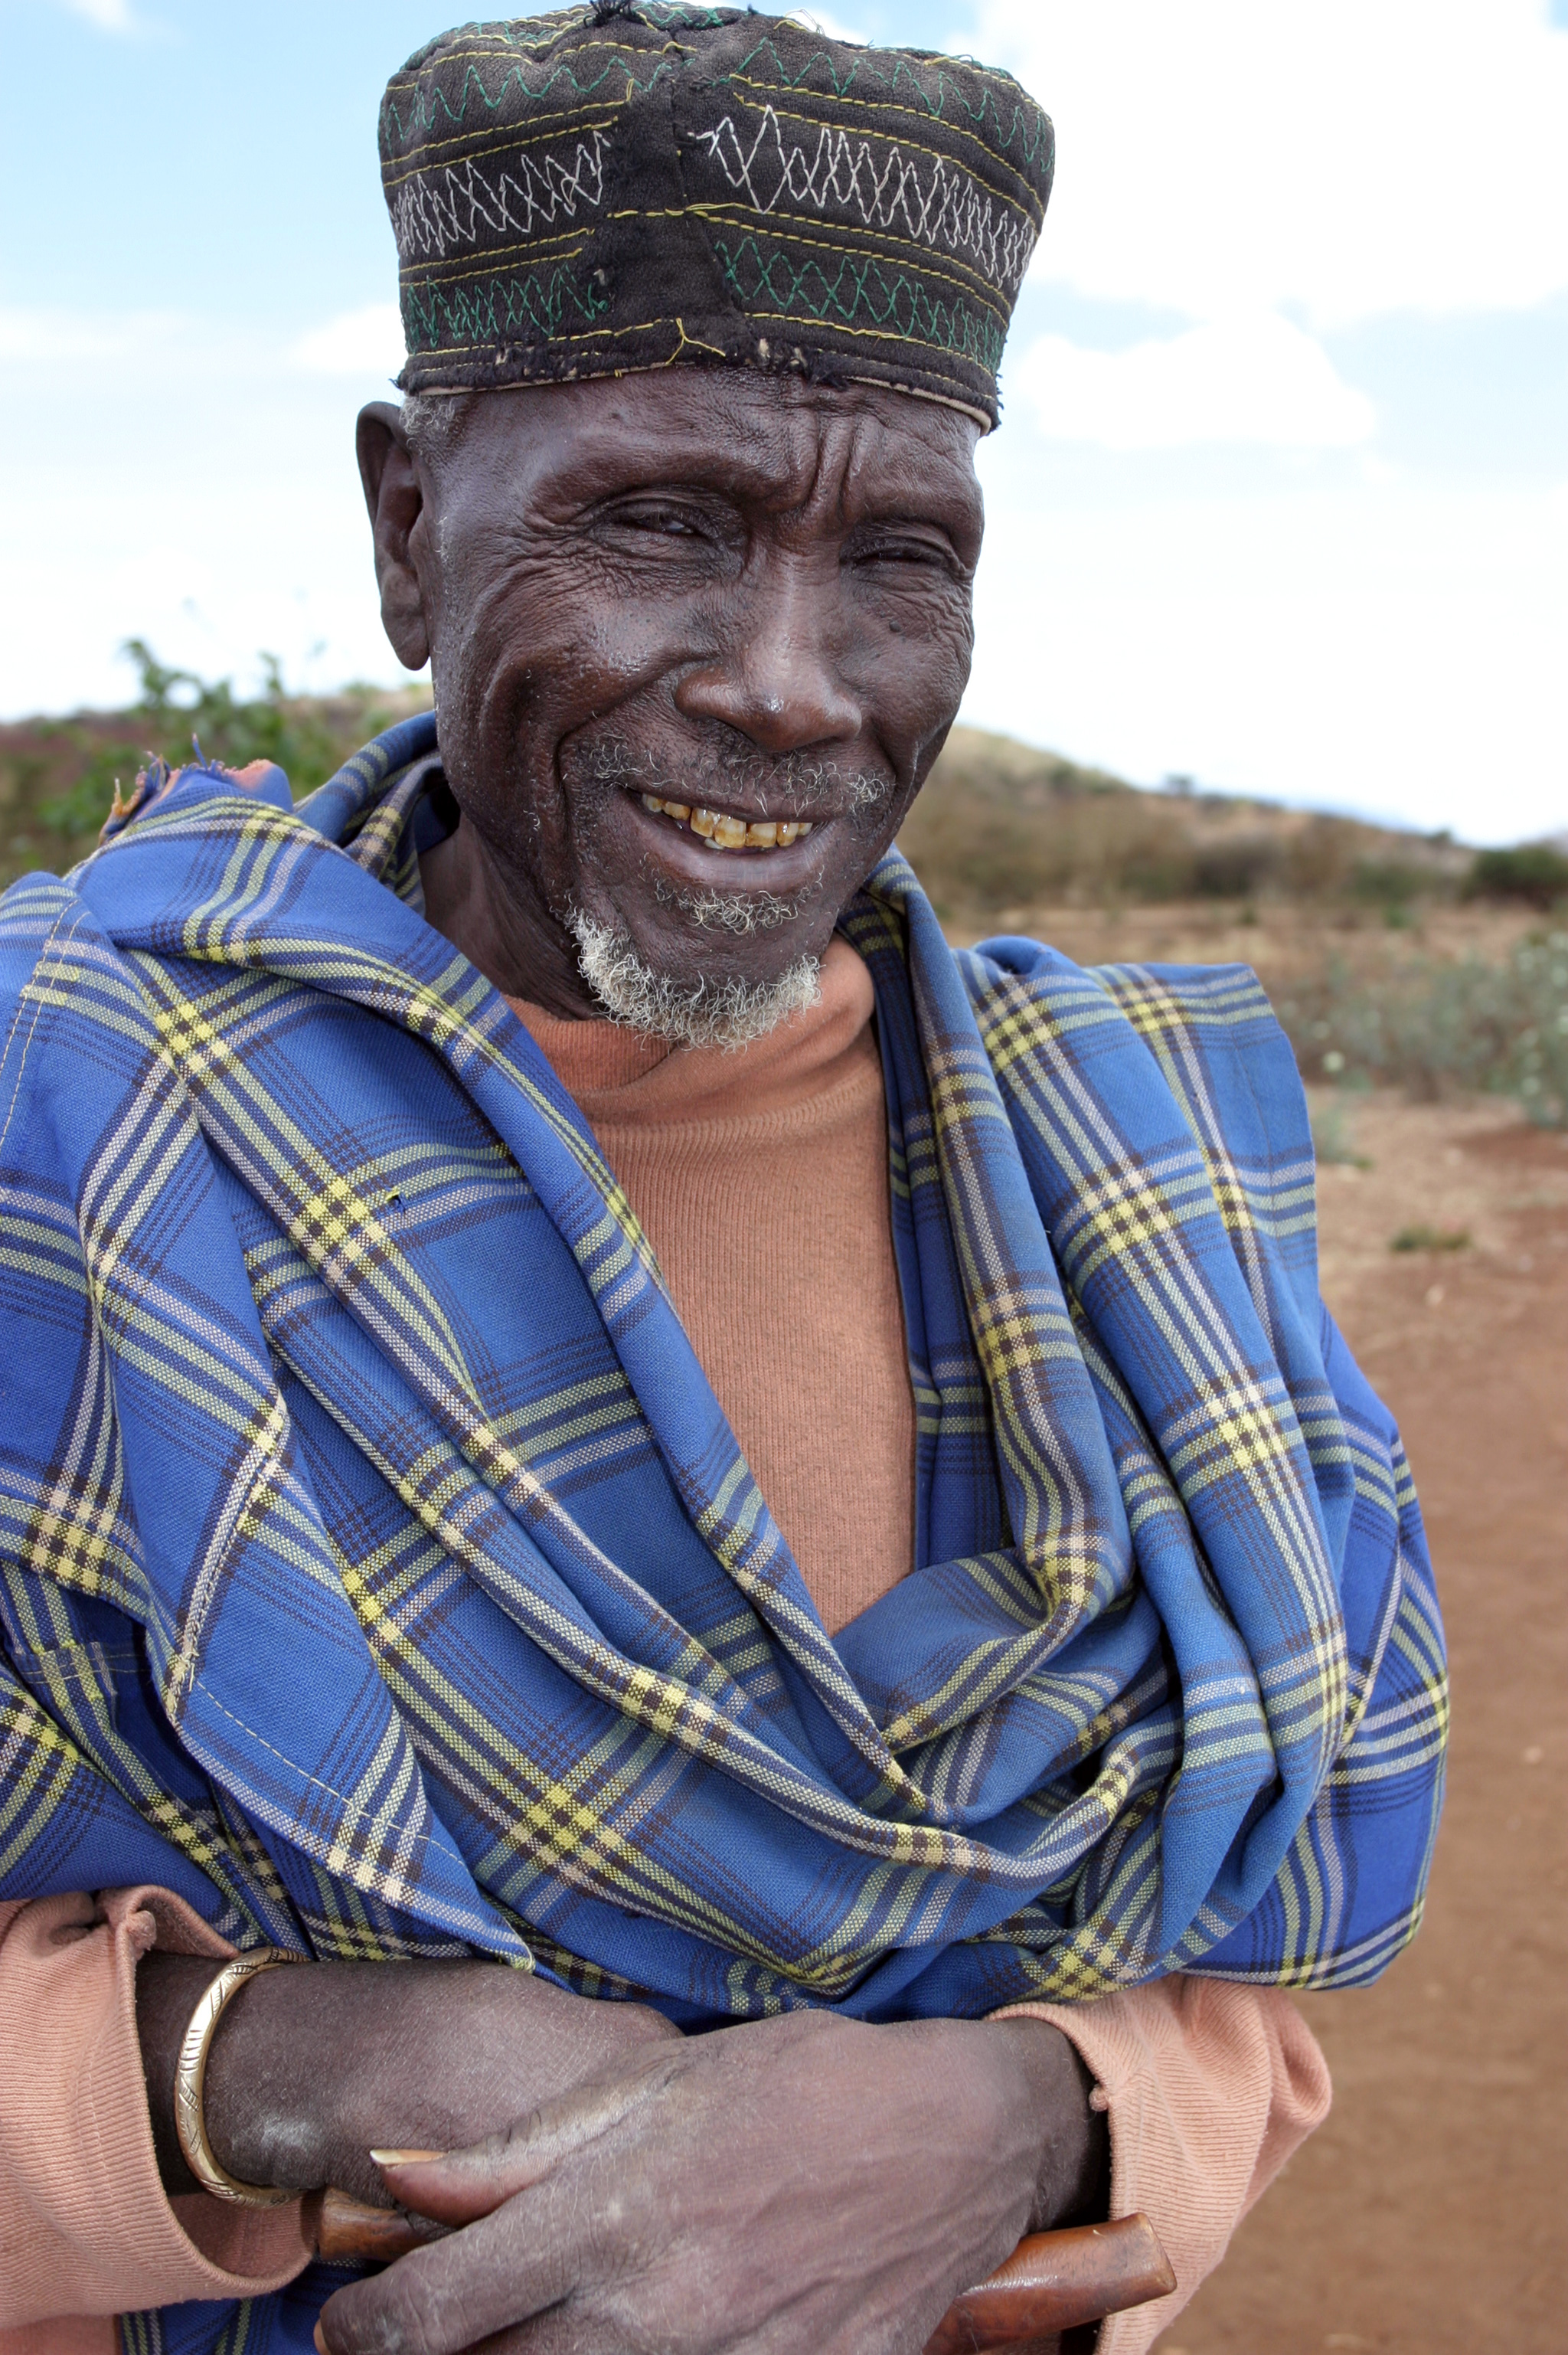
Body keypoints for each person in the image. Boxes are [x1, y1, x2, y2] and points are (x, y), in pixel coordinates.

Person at [0, 8, 1447, 2353]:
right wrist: (263, 2069)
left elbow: (1235, 1998)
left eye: (899, 556)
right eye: (663, 519)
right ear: (404, 528)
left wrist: (1031, 2114)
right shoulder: (61, 1109)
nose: (792, 683)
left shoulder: (1135, 1159)